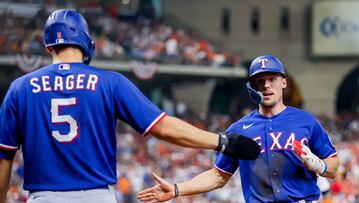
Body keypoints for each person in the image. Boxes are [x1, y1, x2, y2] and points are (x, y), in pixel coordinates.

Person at [0, 9, 260, 203]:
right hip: (96, 197)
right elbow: (164, 128)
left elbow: (4, 158)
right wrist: (223, 142)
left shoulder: (20, 88)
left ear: (48, 46)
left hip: (43, 197)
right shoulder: (109, 82)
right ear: (86, 43)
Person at [137, 55, 340, 203]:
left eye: (272, 79)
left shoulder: (305, 121)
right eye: (260, 81)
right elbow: (219, 176)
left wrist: (318, 165)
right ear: (253, 88)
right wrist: (176, 189)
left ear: (284, 82)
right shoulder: (239, 129)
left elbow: (333, 166)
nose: (267, 85)